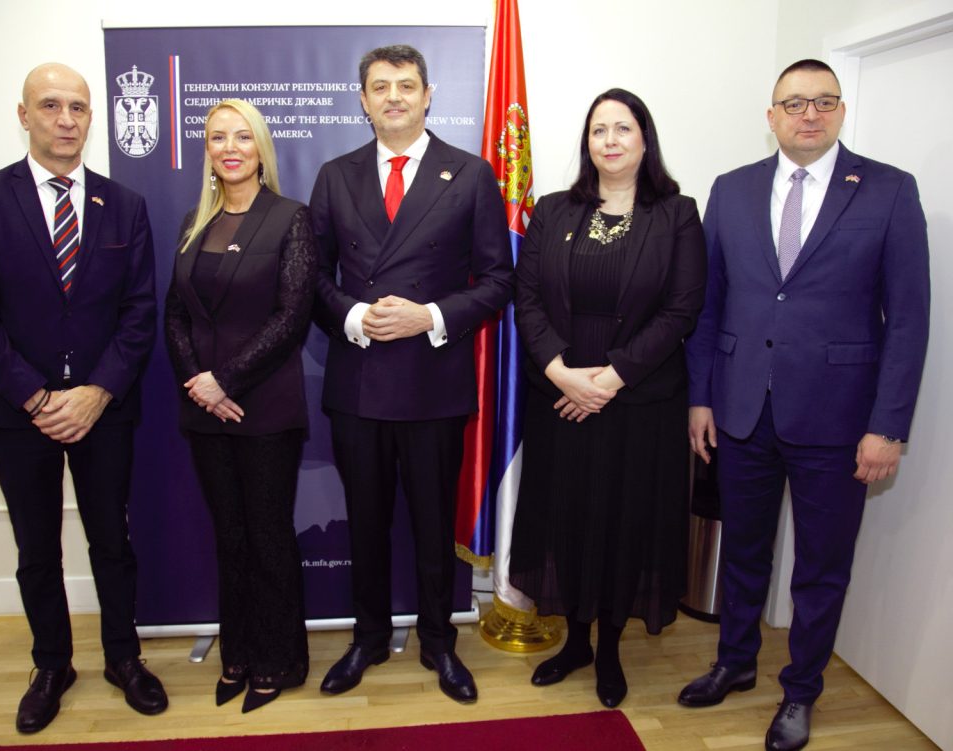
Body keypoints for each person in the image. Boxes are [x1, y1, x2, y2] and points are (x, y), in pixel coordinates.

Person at [679, 59, 929, 751]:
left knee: (820, 567)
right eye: (793, 103)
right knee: (743, 552)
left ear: (841, 111)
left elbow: (908, 320)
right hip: (741, 411)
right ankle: (734, 662)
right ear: (772, 117)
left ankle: (800, 691)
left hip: (839, 419)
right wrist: (701, 398)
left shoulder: (888, 191)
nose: (808, 114)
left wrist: (888, 426)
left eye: (823, 101)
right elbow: (709, 305)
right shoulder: (731, 189)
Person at [0, 63, 167, 733]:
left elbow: (139, 311)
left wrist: (97, 391)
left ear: (91, 117)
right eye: (50, 105)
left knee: (112, 541)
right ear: (25, 115)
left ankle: (123, 657)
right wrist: (37, 396)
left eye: (78, 107)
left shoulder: (124, 204)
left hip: (106, 409)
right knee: (37, 547)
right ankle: (52, 664)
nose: (66, 119)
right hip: (21, 413)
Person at [310, 44, 513, 704]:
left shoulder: (471, 174)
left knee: (432, 525)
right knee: (365, 523)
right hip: (359, 382)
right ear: (363, 101)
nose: (393, 97)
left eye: (405, 85)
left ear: (428, 96)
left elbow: (499, 280)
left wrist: (428, 315)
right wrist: (356, 316)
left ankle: (438, 642)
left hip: (434, 382)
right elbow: (312, 278)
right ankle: (368, 638)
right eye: (380, 86)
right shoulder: (335, 176)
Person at [509, 88, 707, 708]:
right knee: (566, 516)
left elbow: (681, 311)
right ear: (587, 142)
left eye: (624, 128)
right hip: (561, 398)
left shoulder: (677, 214)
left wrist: (609, 380)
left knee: (624, 522)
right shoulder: (552, 210)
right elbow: (526, 300)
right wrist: (561, 372)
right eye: (599, 129)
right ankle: (575, 642)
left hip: (638, 402)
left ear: (645, 140)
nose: (611, 140)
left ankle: (612, 647)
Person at [164, 99, 316, 714]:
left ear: (260, 148)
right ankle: (238, 653)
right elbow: (175, 314)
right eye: (217, 137)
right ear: (206, 151)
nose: (230, 148)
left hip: (265, 407)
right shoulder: (192, 223)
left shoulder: (289, 218)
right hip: (205, 409)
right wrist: (199, 384)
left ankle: (280, 659)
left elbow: (292, 316)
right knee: (229, 536)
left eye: (242, 137)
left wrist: (225, 380)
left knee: (268, 536)